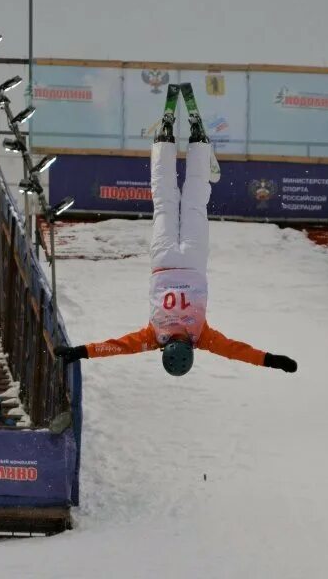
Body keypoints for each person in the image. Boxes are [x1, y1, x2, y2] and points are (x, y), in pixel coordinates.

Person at [55, 83, 298, 377]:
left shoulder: (200, 337)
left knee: (194, 201)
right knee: (165, 201)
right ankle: (164, 142)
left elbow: (235, 349)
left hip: (192, 263)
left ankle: (195, 144)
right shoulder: (154, 336)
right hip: (164, 262)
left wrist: (271, 360)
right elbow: (118, 346)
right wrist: (80, 352)